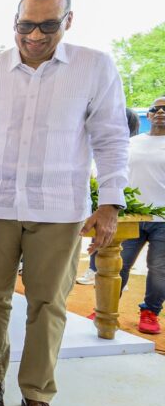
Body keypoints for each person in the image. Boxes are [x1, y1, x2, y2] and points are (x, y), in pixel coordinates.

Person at [0, 0, 129, 406]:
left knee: (48, 303)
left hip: (59, 209)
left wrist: (110, 204)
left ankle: (37, 394)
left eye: (48, 25)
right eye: (26, 25)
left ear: (69, 21)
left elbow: (111, 137)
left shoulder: (94, 67)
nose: (35, 35)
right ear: (13, 22)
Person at [114, 97, 165, 335]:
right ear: (149, 115)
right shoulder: (132, 143)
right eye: (155, 108)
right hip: (131, 216)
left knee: (159, 269)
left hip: (163, 221)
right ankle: (107, 308)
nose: (160, 112)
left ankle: (150, 313)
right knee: (118, 265)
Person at [77, 107, 140, 285]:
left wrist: (111, 202)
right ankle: (93, 269)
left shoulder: (125, 148)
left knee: (113, 245)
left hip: (117, 201)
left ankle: (117, 283)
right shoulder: (92, 145)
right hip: (100, 197)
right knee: (100, 241)